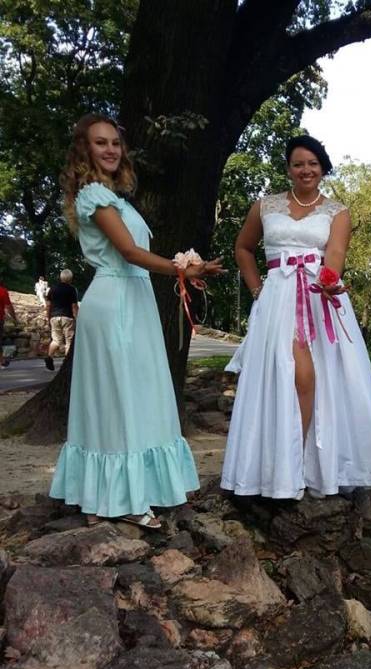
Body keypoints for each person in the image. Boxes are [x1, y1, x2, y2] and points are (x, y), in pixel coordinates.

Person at [50, 113, 224, 529]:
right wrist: (182, 270)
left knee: (134, 393)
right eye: (100, 142)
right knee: (119, 396)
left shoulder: (116, 197)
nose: (110, 149)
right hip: (116, 302)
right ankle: (119, 499)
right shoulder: (93, 195)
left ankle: (113, 493)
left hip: (134, 298)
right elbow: (128, 252)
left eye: (115, 142)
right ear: (84, 150)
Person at [221, 134, 371, 499]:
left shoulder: (337, 211)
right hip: (278, 296)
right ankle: (280, 466)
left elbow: (335, 253)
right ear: (288, 168)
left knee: (318, 377)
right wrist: (257, 291)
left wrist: (330, 283)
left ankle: (305, 465)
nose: (305, 170)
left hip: (318, 297)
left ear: (323, 168)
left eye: (312, 164)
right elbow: (243, 248)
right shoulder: (264, 207)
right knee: (289, 375)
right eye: (298, 163)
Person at [43, 268, 79, 370]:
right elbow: (74, 306)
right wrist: (78, 318)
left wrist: (48, 316)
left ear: (61, 277)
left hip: (54, 317)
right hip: (67, 317)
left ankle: (49, 357)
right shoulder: (72, 289)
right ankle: (66, 364)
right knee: (69, 341)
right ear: (70, 278)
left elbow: (48, 305)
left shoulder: (53, 289)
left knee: (56, 340)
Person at [0, 280, 18, 368]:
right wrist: (14, 318)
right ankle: (2, 360)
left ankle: (2, 359)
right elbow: (8, 306)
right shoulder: (3, 291)